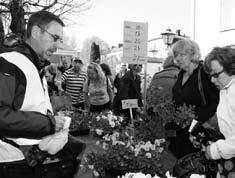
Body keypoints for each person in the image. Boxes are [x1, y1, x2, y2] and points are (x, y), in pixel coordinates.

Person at [0, 11, 85, 178]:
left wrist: (51, 116)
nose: (58, 45)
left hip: (29, 159)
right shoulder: (9, 62)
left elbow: (26, 105)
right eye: (55, 37)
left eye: (60, 40)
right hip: (11, 162)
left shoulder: (35, 65)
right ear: (36, 32)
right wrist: (48, 123)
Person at [170, 39, 219, 159]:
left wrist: (195, 120)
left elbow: (215, 103)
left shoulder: (204, 73)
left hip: (199, 131)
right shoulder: (181, 74)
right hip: (181, 131)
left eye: (182, 54)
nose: (178, 58)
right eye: (176, 55)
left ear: (193, 55)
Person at [198, 46, 235, 177]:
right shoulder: (226, 89)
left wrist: (215, 150)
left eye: (216, 74)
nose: (212, 80)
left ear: (231, 67)